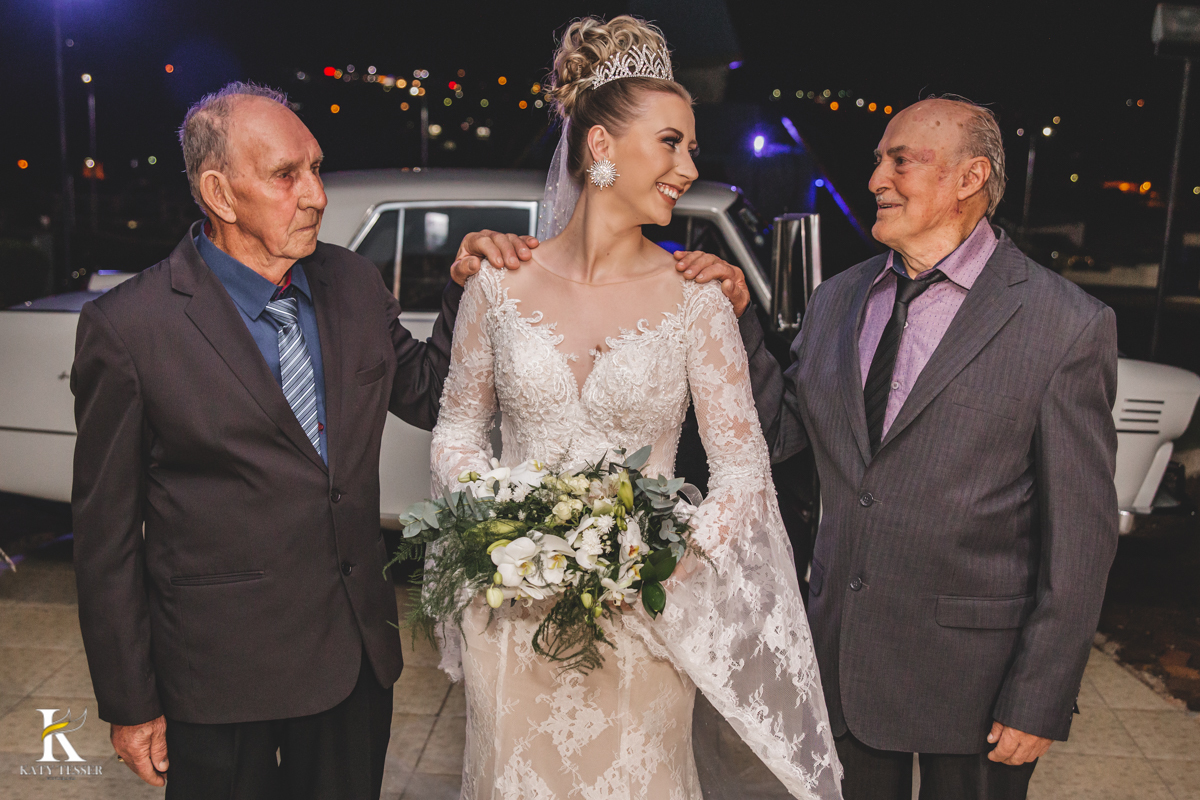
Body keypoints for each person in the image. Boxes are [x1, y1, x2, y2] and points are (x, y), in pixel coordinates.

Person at [69, 81, 598, 799]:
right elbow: (105, 539)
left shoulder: (350, 281)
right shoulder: (130, 328)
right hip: (219, 680)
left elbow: (429, 391)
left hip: (353, 661)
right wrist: (131, 703)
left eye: (315, 168)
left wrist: (466, 289)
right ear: (221, 194)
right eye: (287, 176)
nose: (314, 194)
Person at [428, 16, 841, 800]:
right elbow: (455, 430)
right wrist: (501, 521)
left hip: (642, 630)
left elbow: (744, 473)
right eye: (672, 142)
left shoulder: (697, 302)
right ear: (600, 148)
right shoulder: (496, 286)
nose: (689, 165)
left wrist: (659, 551)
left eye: (690, 145)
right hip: (512, 624)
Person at [740, 97, 1120, 799]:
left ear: (970, 177)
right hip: (843, 658)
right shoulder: (838, 300)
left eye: (900, 160)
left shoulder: (1066, 323)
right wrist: (736, 326)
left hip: (976, 680)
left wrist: (1039, 694)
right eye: (878, 160)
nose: (875, 179)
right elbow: (785, 436)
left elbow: (1082, 539)